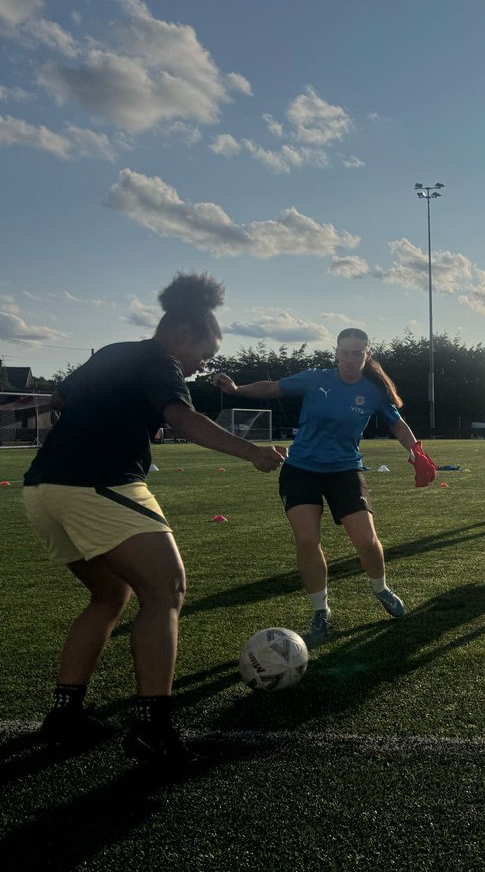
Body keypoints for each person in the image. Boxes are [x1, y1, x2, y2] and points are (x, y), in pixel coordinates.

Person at [23, 273, 287, 765]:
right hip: (98, 485)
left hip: (41, 490)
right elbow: (182, 419)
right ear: (182, 335)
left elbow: (59, 400)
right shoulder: (161, 361)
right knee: (166, 591)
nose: (196, 368)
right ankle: (153, 728)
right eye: (201, 357)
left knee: (110, 595)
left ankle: (65, 714)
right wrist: (253, 452)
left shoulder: (112, 351)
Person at [212, 328, 436, 646]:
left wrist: (417, 453)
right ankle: (321, 610)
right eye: (344, 352)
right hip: (301, 469)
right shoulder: (315, 378)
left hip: (345, 472)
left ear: (367, 355)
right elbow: (272, 387)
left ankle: (380, 588)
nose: (349, 358)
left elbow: (398, 424)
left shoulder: (373, 391)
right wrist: (236, 388)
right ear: (336, 352)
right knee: (307, 539)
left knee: (367, 541)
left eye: (357, 353)